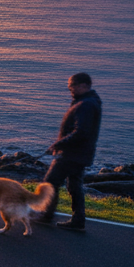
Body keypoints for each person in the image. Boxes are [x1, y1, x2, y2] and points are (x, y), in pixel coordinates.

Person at [39, 72, 103, 231]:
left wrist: (58, 144)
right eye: (69, 86)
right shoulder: (88, 101)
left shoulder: (86, 105)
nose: (70, 89)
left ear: (85, 85)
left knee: (50, 182)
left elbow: (81, 132)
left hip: (72, 154)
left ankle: (46, 215)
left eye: (73, 86)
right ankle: (78, 220)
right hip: (80, 153)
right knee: (74, 186)